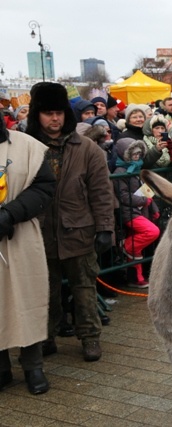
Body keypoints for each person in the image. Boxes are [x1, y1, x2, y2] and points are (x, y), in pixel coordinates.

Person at [25, 82, 115, 362]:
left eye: (60, 112)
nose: (55, 119)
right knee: (44, 289)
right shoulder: (26, 146)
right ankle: (45, 337)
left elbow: (102, 192)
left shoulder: (86, 148)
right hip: (38, 232)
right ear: (36, 115)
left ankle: (90, 336)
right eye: (48, 113)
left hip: (79, 229)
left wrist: (105, 228)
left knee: (84, 287)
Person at [0, 110, 56, 395]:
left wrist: (10, 214)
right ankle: (1, 369)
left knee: (26, 298)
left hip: (19, 235)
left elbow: (44, 187)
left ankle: (33, 366)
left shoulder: (29, 147)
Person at [112, 137, 160, 287]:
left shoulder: (137, 168)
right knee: (151, 232)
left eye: (139, 153)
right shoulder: (120, 171)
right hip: (129, 212)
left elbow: (146, 192)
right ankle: (124, 246)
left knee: (136, 246)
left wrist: (154, 208)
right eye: (133, 153)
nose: (137, 156)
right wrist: (143, 202)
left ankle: (136, 278)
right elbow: (124, 196)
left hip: (140, 210)